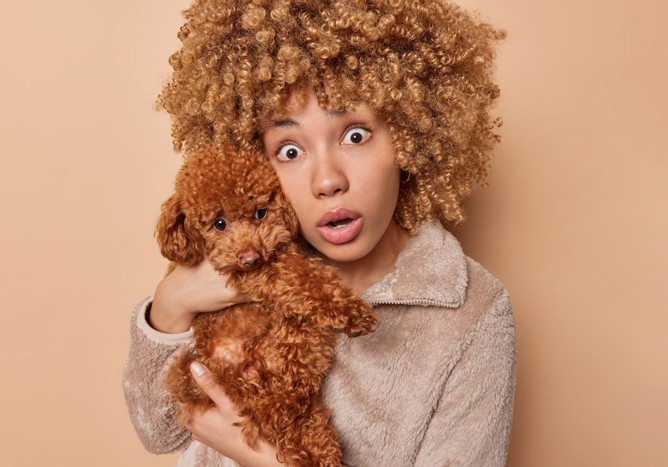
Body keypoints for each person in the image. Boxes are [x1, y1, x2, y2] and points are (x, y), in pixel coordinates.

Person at [122, 0, 516, 466]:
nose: (327, 180)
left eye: (355, 135)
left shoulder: (472, 312)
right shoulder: (239, 264)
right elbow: (158, 432)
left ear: (409, 135)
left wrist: (269, 460)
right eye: (289, 150)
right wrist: (171, 304)